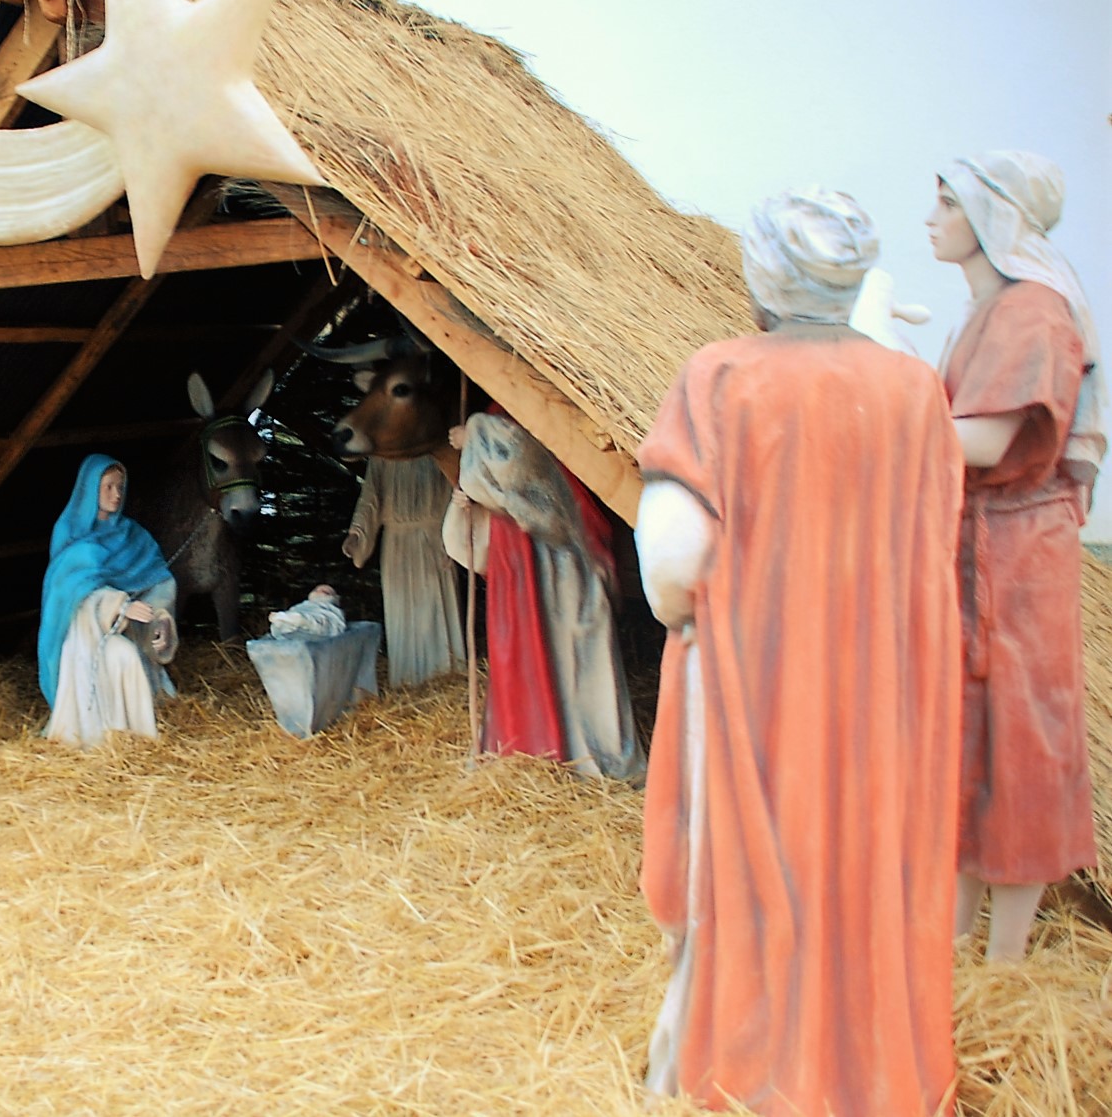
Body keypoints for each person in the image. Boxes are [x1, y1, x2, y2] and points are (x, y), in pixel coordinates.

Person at [635, 190, 962, 1116]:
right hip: (881, 689)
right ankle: (868, 1067)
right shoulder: (912, 388)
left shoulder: (722, 376)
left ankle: (746, 1067)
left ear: (764, 271)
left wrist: (682, 620)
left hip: (753, 677)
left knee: (741, 859)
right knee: (865, 861)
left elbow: (673, 553)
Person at [930, 151, 1101, 962]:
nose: (929, 219)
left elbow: (989, 438)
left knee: (1022, 736)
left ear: (990, 214)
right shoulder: (986, 310)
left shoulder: (1031, 312)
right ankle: (959, 936)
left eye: (944, 203)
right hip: (979, 540)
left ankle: (1003, 961)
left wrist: (873, 413)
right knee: (971, 732)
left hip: (1019, 548)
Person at [446, 412, 643, 782]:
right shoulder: (496, 411)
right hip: (517, 568)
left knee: (572, 656)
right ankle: (530, 744)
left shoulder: (520, 419)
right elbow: (489, 492)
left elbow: (507, 474)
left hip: (562, 567)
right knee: (527, 655)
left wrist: (472, 434)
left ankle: (581, 749)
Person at [39, 455, 178, 748]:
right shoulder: (70, 534)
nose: (116, 495)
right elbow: (68, 591)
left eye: (120, 487)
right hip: (82, 638)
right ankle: (99, 737)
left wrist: (158, 619)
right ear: (90, 489)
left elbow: (161, 582)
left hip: (123, 631)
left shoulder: (133, 535)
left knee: (128, 657)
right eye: (108, 487)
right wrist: (119, 605)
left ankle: (135, 738)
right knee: (119, 657)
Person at [343, 454, 463, 686]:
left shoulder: (437, 447)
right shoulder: (383, 455)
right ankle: (409, 679)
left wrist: (454, 538)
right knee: (403, 608)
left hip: (435, 538)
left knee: (436, 606)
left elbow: (455, 492)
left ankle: (446, 675)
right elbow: (371, 498)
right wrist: (357, 534)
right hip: (397, 544)